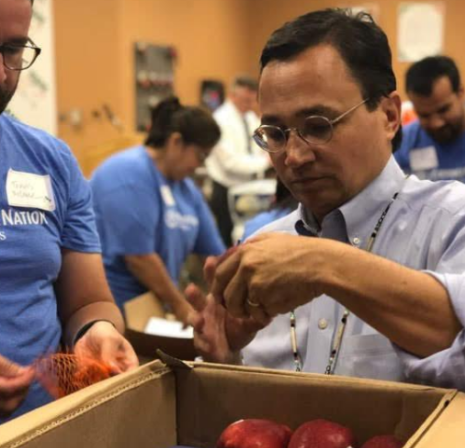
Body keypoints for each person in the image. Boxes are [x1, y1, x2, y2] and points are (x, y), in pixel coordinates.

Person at [185, 8, 465, 408]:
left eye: (319, 126)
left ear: (388, 116)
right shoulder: (264, 248)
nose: (294, 157)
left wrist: (325, 264)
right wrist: (226, 363)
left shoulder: (462, 222)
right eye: (275, 134)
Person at [0, 0, 138, 424]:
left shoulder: (49, 161)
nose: (2, 75)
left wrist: (94, 331)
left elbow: (90, 300)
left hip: (45, 440)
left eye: (12, 50)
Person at [91, 97, 225, 322]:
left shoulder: (186, 189)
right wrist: (181, 307)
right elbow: (139, 258)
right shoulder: (128, 173)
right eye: (200, 156)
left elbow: (214, 256)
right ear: (176, 142)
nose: (199, 166)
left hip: (155, 308)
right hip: (116, 309)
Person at [394, 55, 465, 196]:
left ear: (461, 93)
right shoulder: (404, 143)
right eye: (424, 115)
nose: (436, 123)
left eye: (443, 110)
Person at [205, 75, 271, 247]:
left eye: (251, 101)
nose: (249, 105)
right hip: (226, 189)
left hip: (249, 188)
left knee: (250, 237)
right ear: (233, 96)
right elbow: (231, 163)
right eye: (245, 100)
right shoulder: (220, 120)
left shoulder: (250, 118)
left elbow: (264, 145)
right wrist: (265, 162)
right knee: (227, 243)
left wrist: (267, 157)